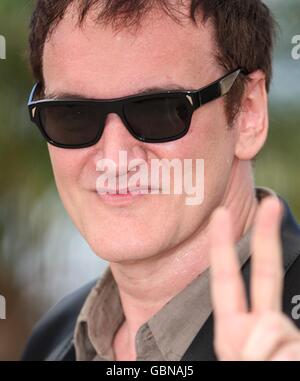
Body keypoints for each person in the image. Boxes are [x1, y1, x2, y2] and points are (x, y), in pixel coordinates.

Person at [22, 0, 300, 361]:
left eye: (160, 112)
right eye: (71, 116)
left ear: (249, 111)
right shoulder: (51, 339)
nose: (114, 159)